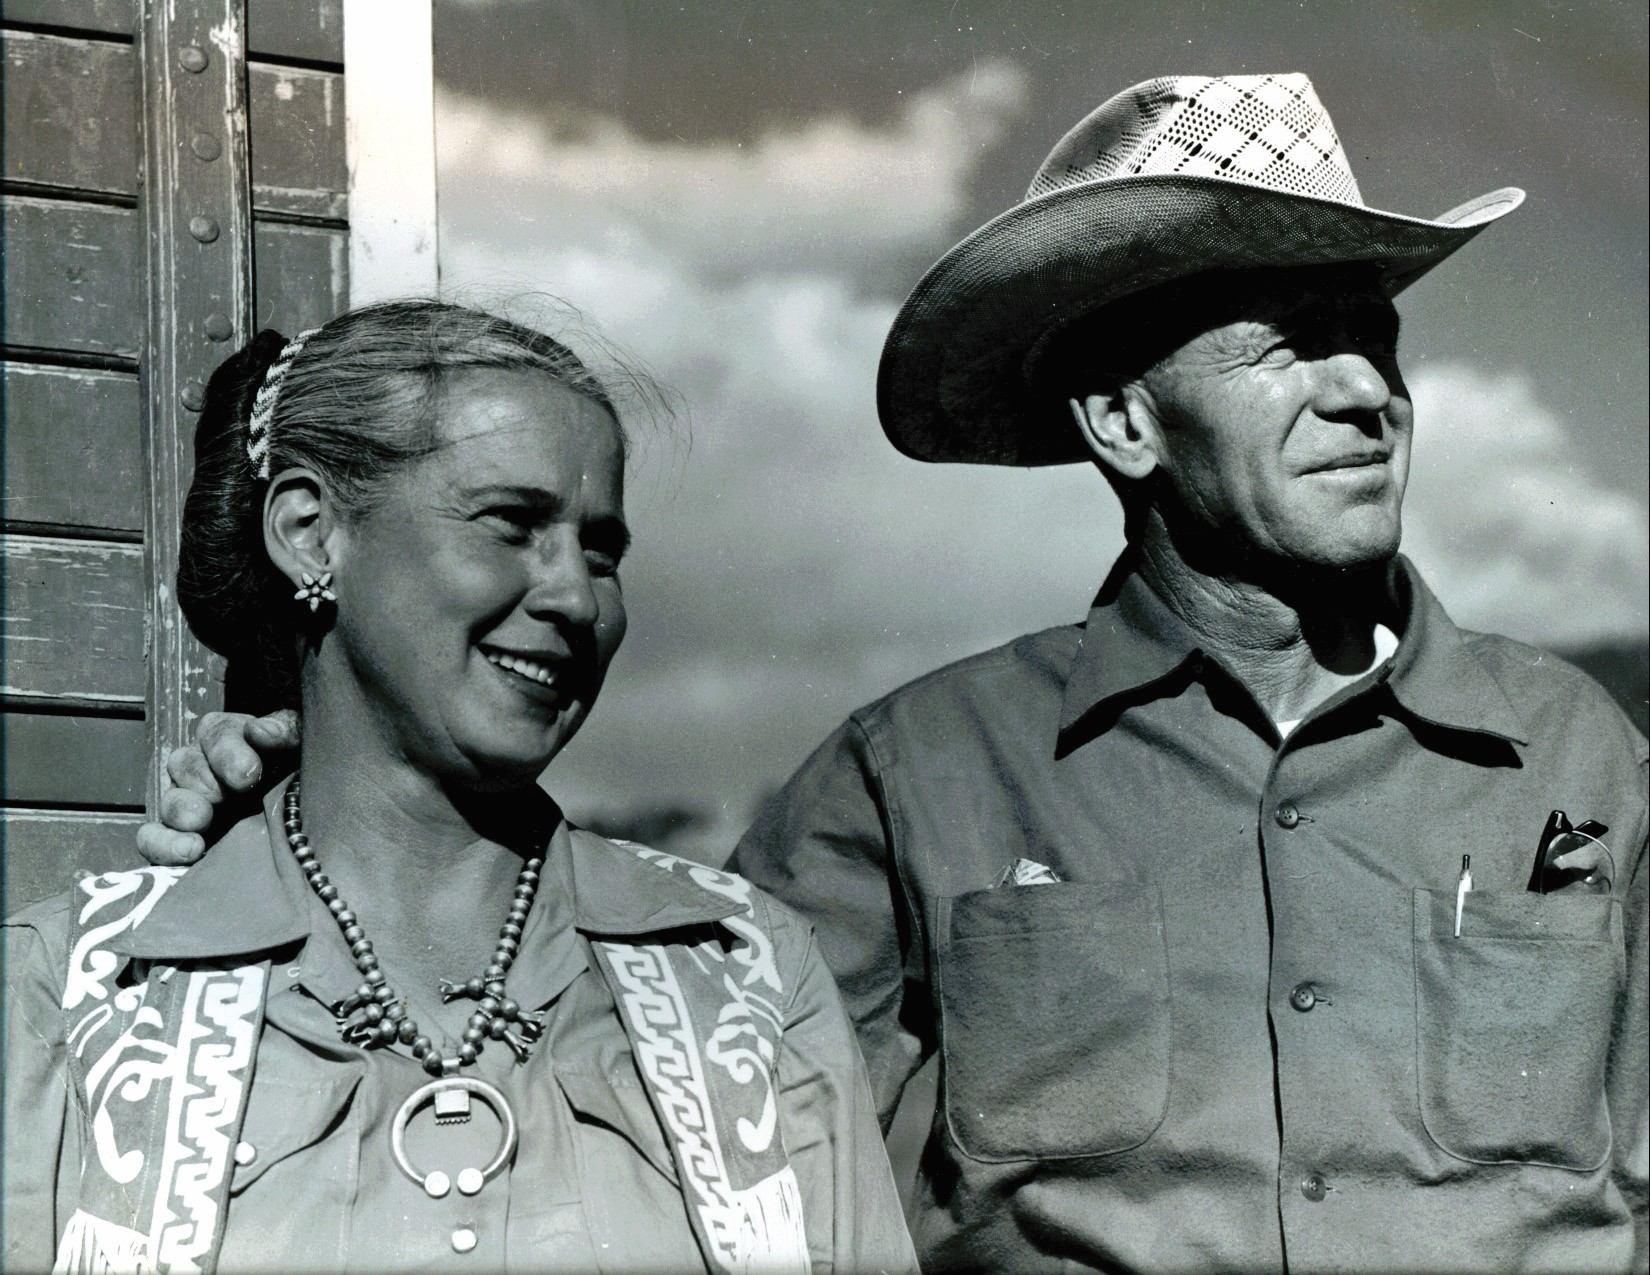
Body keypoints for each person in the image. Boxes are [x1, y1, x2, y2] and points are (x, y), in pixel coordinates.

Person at [133, 74, 1649, 1272]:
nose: (1367, 391)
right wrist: (337, 825)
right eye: (1290, 345)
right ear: (1123, 424)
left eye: (1375, 340)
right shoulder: (915, 774)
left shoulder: (1580, 754)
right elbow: (635, 1070)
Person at [2, 301, 917, 1274]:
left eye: (601, 552)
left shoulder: (746, 971)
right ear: (311, 533)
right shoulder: (70, 993)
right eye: (512, 524)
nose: (576, 597)